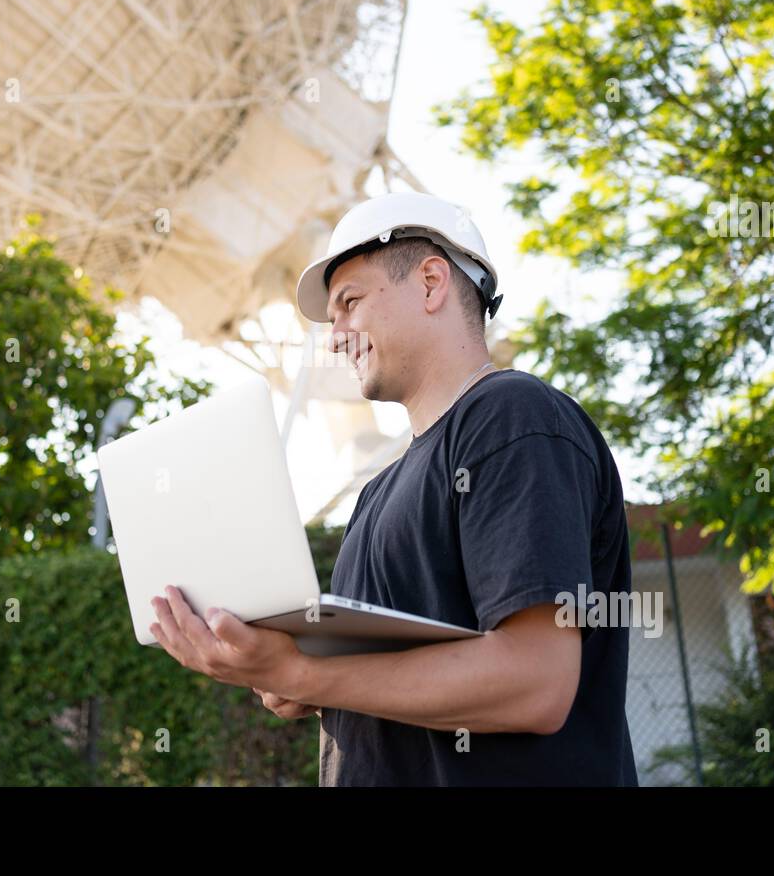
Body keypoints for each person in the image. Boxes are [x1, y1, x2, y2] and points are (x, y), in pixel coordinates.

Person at [148, 192, 638, 785]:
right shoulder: (376, 493)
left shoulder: (512, 417)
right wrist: (295, 673)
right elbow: (396, 677)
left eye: (349, 304)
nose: (337, 337)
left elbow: (535, 683)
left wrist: (306, 674)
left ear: (431, 282)